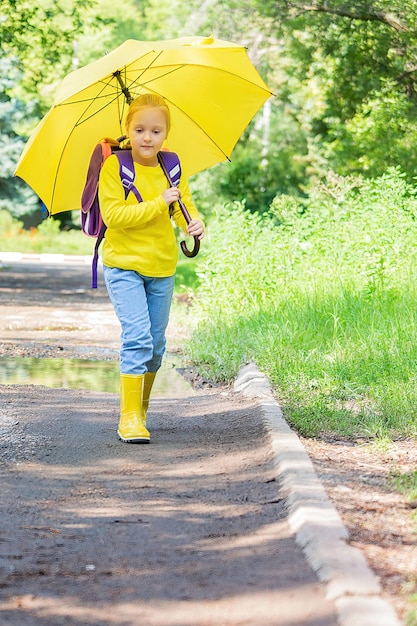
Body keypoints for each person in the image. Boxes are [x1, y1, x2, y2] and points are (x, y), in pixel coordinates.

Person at [98, 93, 204, 444]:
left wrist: (193, 222)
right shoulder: (115, 167)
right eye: (140, 129)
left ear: (165, 134)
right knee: (138, 338)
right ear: (128, 129)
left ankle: (140, 409)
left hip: (162, 267)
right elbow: (115, 217)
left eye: (156, 131)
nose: (147, 137)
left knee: (156, 346)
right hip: (123, 265)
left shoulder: (170, 166)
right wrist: (160, 203)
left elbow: (182, 207)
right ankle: (128, 418)